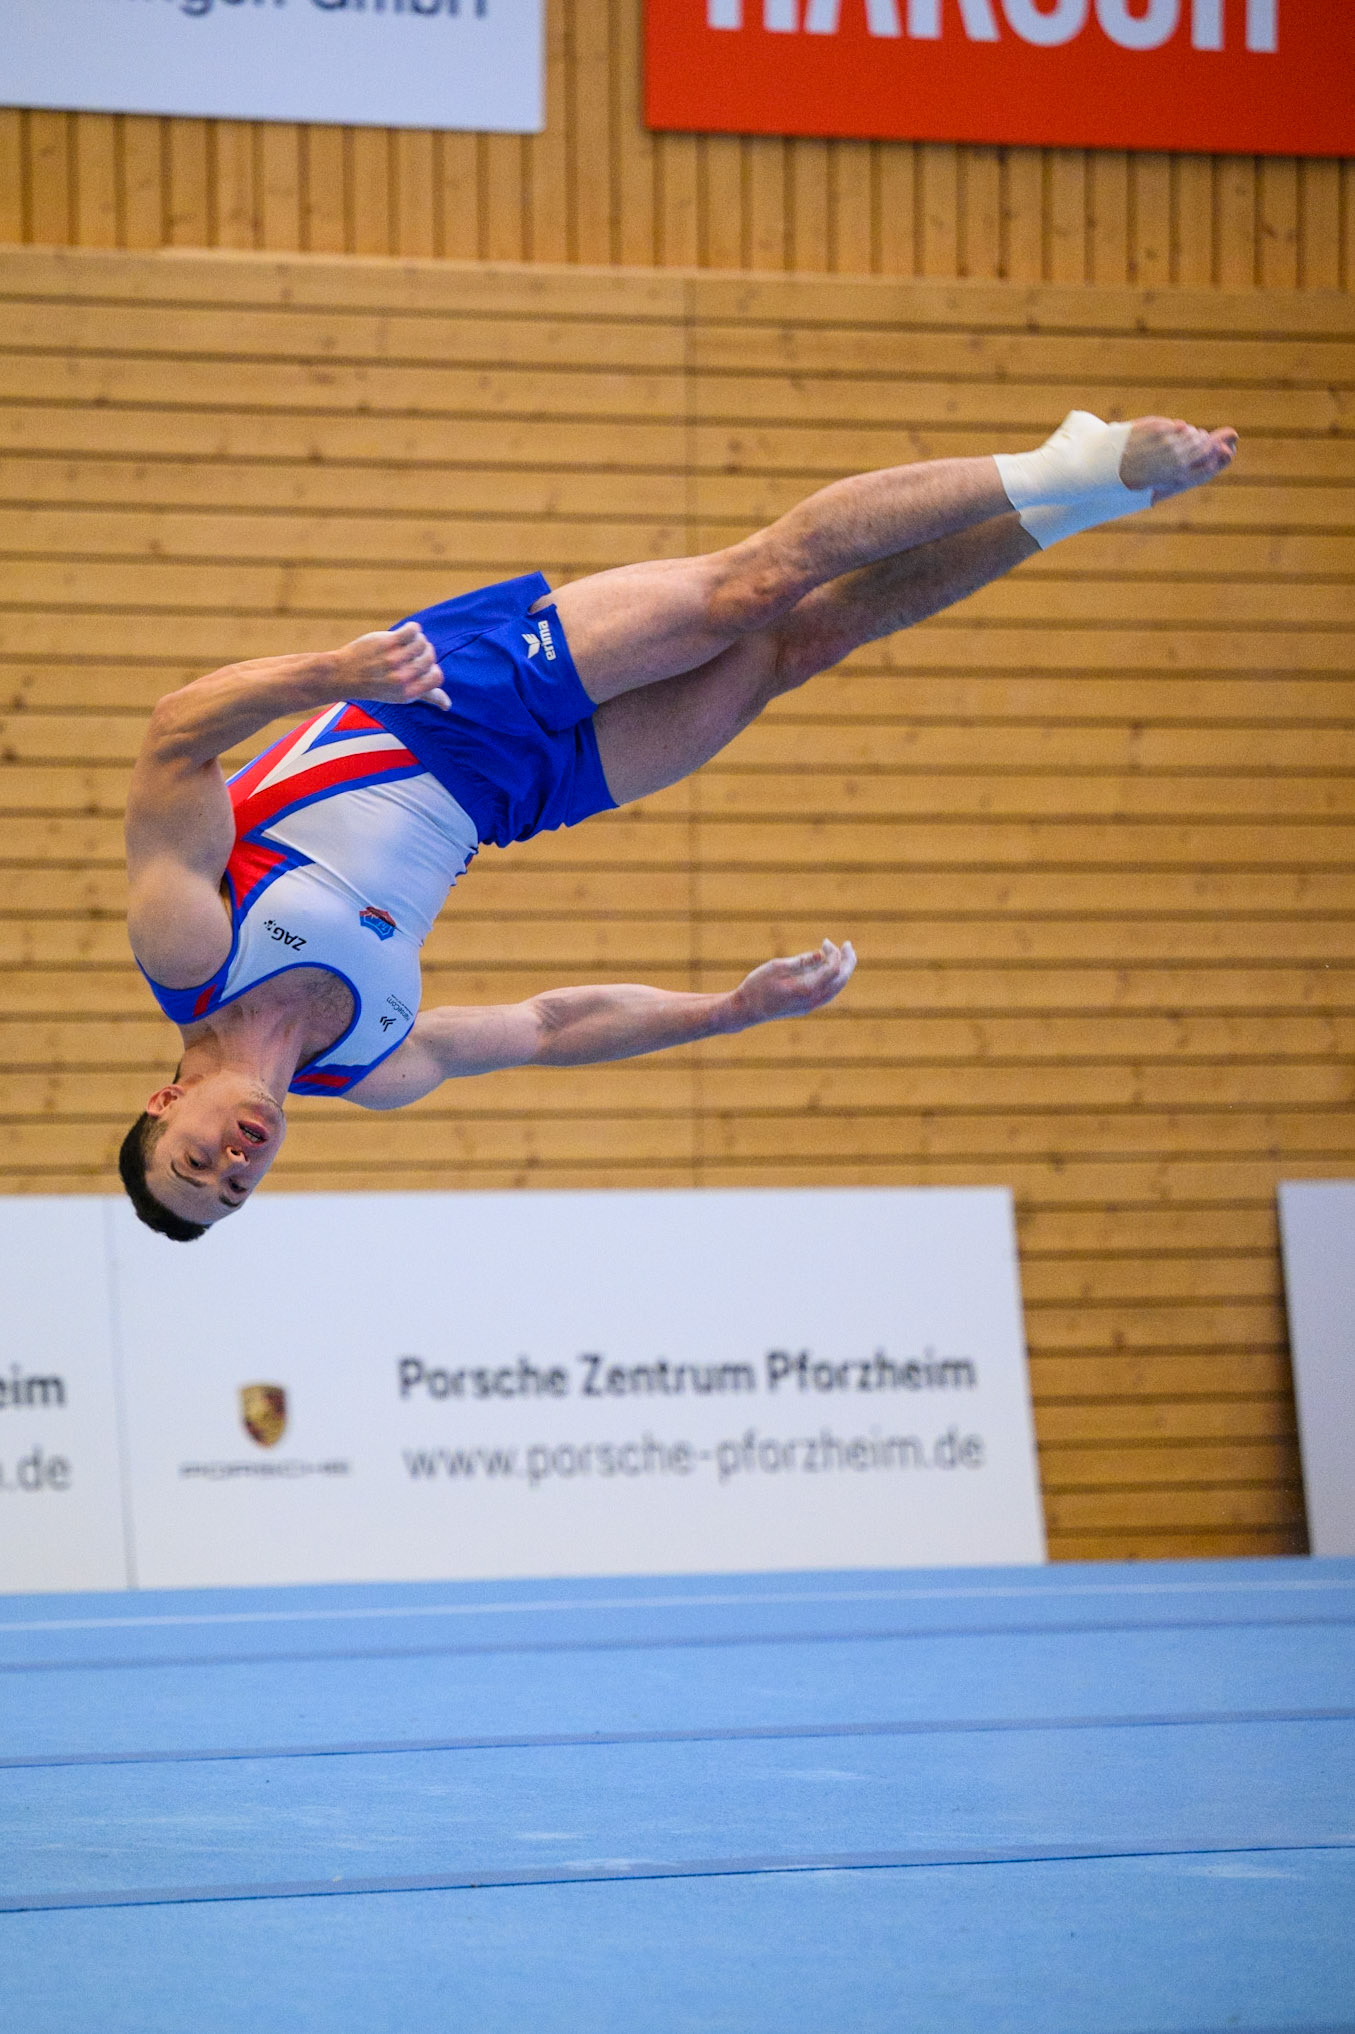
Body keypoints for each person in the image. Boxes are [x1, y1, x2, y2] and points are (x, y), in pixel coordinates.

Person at [120, 409, 1237, 1238]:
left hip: (437, 706)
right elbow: (553, 1028)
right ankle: (1087, 502)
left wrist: (328, 668)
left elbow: (175, 735)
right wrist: (723, 1012)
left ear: (169, 1100)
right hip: (522, 802)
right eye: (228, 1192)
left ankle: (1071, 460)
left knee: (745, 592)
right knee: (794, 648)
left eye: (192, 1159)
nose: (230, 1165)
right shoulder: (373, 1067)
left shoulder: (190, 953)